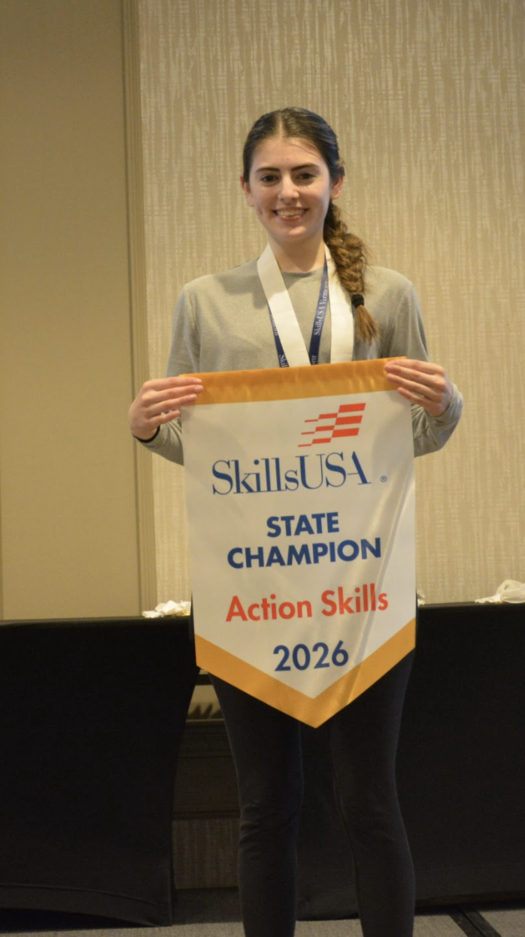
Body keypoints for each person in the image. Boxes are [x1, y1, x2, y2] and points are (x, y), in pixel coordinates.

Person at [128, 108, 462, 936]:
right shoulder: (204, 303)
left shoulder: (388, 295)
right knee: (264, 806)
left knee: (369, 804)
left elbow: (414, 435)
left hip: (363, 588)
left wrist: (450, 404)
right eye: (270, 177)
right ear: (246, 191)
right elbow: (195, 443)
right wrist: (144, 425)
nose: (288, 192)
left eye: (304, 174)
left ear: (334, 184)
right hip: (254, 588)